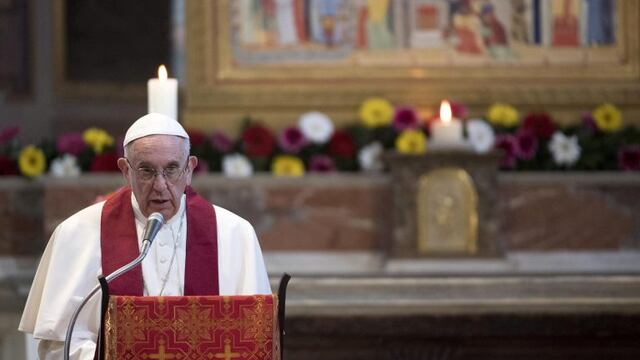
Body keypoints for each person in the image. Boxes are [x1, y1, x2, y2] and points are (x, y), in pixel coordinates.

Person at [18, 113, 272, 359]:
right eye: (146, 171)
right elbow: (59, 344)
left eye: (172, 169)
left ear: (190, 169)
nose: (160, 185)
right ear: (125, 170)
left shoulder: (235, 234)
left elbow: (255, 340)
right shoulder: (77, 233)